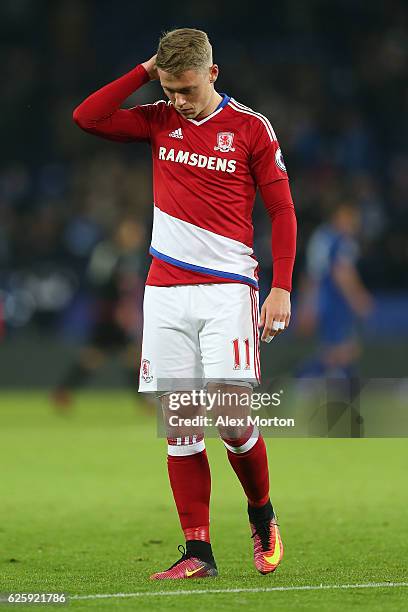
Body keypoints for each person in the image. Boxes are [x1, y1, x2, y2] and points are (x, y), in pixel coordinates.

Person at [73, 28, 297, 579]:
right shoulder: (158, 118)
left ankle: (262, 514)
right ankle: (198, 553)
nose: (178, 100)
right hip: (165, 291)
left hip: (227, 289)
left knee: (230, 417)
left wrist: (282, 287)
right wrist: (144, 72)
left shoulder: (250, 129)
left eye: (188, 89)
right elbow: (87, 117)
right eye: (170, 88)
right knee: (180, 423)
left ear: (213, 75)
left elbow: (283, 212)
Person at [52, 218, 145, 408]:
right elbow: (99, 282)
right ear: (120, 232)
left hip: (117, 314)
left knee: (108, 356)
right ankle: (145, 401)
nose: (136, 237)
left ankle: (64, 392)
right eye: (132, 232)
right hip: (107, 313)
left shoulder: (129, 256)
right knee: (107, 356)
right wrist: (116, 307)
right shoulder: (107, 252)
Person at [296, 201, 373, 378]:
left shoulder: (323, 237)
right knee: (341, 350)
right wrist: (358, 298)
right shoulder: (339, 240)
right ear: (338, 217)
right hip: (334, 299)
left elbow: (311, 272)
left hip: (328, 298)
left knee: (341, 348)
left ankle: (324, 379)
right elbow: (340, 273)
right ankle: (304, 377)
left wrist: (307, 303)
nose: (353, 223)